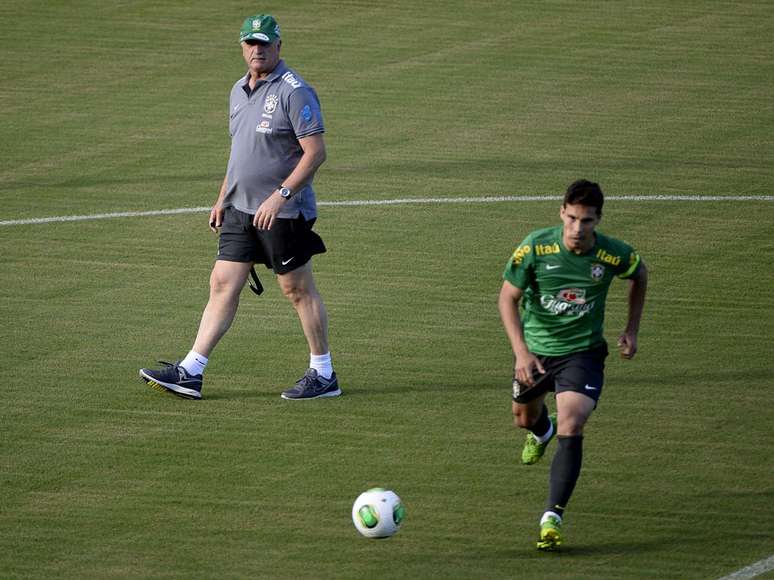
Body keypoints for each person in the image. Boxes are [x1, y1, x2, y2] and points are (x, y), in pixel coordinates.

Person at [140, 14, 340, 401]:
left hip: (283, 212)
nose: (257, 50)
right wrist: (222, 197)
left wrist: (280, 195)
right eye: (251, 43)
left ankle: (323, 374)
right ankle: (191, 370)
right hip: (239, 209)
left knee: (296, 289)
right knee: (222, 283)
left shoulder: (294, 91)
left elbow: (315, 153)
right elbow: (241, 153)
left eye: (264, 43)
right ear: (242, 47)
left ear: (278, 46)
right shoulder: (237, 90)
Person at [498, 179, 647, 551]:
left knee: (573, 420)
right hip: (535, 352)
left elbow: (639, 274)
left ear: (598, 220)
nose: (578, 229)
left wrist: (630, 329)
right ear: (561, 212)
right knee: (523, 417)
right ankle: (541, 431)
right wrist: (521, 353)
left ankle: (552, 516)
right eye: (572, 218)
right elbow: (507, 299)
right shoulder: (535, 246)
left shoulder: (612, 255)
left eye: (587, 221)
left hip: (582, 353)